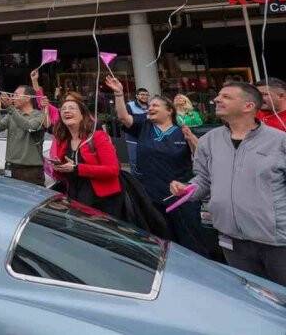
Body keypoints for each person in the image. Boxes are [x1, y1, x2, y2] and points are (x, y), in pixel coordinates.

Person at [171, 82, 286, 284]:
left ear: (248, 106)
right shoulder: (208, 140)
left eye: (226, 97)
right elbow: (203, 178)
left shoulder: (279, 141)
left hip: (276, 242)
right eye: (218, 95)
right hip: (231, 239)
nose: (217, 99)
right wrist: (188, 189)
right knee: (250, 301)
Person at [107, 77, 206, 255]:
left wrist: (192, 139)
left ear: (169, 111)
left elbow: (201, 157)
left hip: (180, 195)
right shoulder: (144, 126)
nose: (150, 108)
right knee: (158, 241)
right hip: (150, 195)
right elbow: (123, 116)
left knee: (189, 240)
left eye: (155, 106)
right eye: (149, 105)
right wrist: (119, 93)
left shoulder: (182, 130)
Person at [50, 95, 124, 218]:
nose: (67, 111)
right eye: (63, 109)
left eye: (72, 108)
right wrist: (59, 168)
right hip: (75, 197)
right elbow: (63, 175)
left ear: (82, 115)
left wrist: (77, 168)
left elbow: (113, 170)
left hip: (102, 201)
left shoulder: (98, 137)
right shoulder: (63, 141)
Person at [0, 84, 47, 186]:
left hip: (30, 170)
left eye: (16, 95)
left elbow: (29, 126)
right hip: (11, 166)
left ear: (27, 98)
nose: (12, 98)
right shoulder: (12, 113)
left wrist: (10, 108)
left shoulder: (39, 115)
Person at [124, 86, 151, 173]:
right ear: (137, 96)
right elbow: (129, 121)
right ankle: (135, 182)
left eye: (147, 95)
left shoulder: (150, 106)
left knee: (148, 159)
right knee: (134, 161)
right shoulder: (130, 105)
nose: (145, 96)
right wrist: (145, 117)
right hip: (133, 137)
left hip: (147, 136)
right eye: (142, 94)